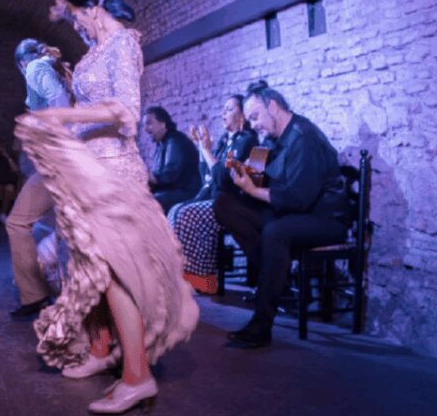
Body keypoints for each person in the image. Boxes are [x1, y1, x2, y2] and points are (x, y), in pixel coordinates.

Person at [15, 0, 198, 414]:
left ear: (95, 8)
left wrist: (64, 115)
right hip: (87, 170)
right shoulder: (95, 50)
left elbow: (125, 112)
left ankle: (138, 377)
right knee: (88, 267)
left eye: (77, 17)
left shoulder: (123, 46)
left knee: (115, 272)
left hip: (115, 172)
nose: (75, 26)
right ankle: (100, 351)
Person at [214, 80, 349, 348]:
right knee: (224, 206)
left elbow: (298, 198)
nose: (253, 124)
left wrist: (252, 189)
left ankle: (262, 324)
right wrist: (240, 166)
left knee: (275, 233)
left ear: (273, 107)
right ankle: (277, 277)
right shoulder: (274, 138)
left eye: (255, 117)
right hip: (292, 212)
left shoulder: (303, 137)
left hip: (324, 219)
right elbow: (256, 178)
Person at [5, 38, 72, 319]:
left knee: (17, 222)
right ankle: (70, 292)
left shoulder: (34, 68)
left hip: (56, 161)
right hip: (71, 160)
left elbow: (59, 102)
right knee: (65, 227)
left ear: (21, 63)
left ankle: (34, 296)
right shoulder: (56, 67)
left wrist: (43, 130)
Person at [167, 95, 258, 294]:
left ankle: (202, 280)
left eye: (228, 109)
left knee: (188, 214)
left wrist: (205, 149)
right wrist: (203, 149)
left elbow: (224, 179)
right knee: (175, 210)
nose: (222, 113)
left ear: (242, 115)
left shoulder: (246, 141)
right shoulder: (226, 141)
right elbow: (207, 176)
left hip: (231, 202)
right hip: (215, 196)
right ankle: (181, 276)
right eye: (223, 109)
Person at [143, 106, 201, 213]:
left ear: (163, 124)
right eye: (144, 125)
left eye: (149, 123)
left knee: (151, 201)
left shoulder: (176, 140)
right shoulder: (161, 144)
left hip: (187, 191)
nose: (145, 129)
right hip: (173, 190)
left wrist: (144, 174)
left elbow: (169, 175)